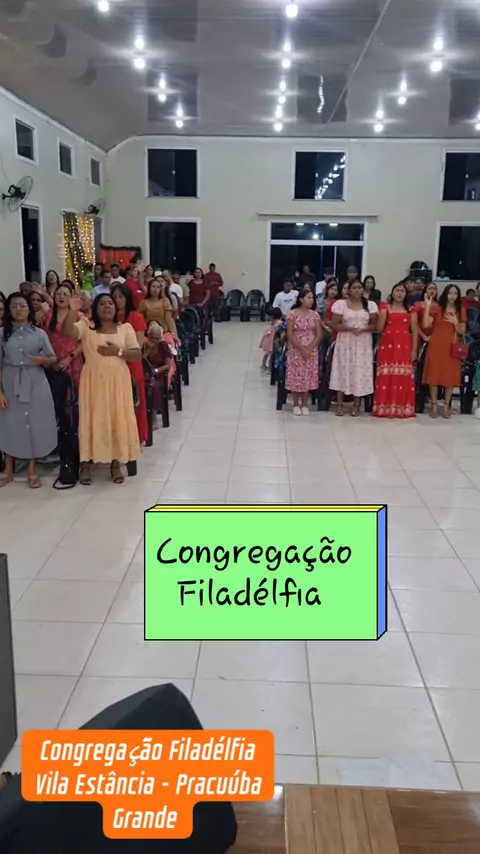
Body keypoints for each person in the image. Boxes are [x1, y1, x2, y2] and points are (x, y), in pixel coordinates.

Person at [62, 293, 141, 484]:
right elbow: (67, 331)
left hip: (118, 381)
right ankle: (85, 465)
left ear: (115, 307)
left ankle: (115, 464)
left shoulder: (125, 328)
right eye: (102, 304)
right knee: (91, 419)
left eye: (110, 303)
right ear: (95, 308)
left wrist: (118, 351)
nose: (107, 306)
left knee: (116, 419)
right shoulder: (87, 326)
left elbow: (137, 355)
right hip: (93, 381)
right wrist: (72, 310)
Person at [0, 292, 57, 488]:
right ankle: (8, 468)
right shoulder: (2, 334)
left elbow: (52, 358)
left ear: (29, 309)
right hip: (10, 381)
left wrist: (43, 360)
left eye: (22, 305)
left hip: (35, 382)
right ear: (9, 310)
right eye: (14, 306)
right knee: (9, 423)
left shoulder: (39, 334)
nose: (18, 309)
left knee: (34, 423)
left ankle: (32, 469)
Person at [329, 281, 378, 416]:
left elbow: (375, 325)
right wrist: (348, 328)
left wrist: (363, 329)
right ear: (348, 290)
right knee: (343, 369)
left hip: (363, 341)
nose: (357, 290)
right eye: (354, 288)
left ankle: (357, 404)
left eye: (360, 288)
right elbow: (334, 324)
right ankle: (339, 404)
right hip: (345, 341)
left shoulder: (370, 305)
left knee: (359, 370)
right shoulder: (341, 304)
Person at [373, 283, 417, 419]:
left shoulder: (411, 310)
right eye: (397, 290)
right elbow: (379, 329)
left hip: (404, 347)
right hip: (387, 346)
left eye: (402, 291)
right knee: (386, 376)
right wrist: (382, 314)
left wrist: (414, 350)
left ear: (406, 294)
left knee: (402, 377)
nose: (399, 293)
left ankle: (401, 408)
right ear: (392, 293)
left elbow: (415, 331)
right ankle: (384, 408)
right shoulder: (385, 308)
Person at [422, 284, 466, 419]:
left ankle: (447, 405)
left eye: (455, 293)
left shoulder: (461, 310)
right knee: (434, 375)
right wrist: (428, 307)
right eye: (450, 293)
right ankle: (434, 405)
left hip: (451, 346)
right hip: (436, 345)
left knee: (450, 376)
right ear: (445, 294)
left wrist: (455, 322)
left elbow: (462, 331)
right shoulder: (437, 308)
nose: (452, 296)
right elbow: (425, 325)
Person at [112, 284, 148, 445]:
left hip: (131, 364)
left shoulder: (136, 317)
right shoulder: (107, 318)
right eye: (114, 297)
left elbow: (138, 345)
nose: (117, 300)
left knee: (134, 401)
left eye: (121, 297)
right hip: (112, 365)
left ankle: (137, 437)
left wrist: (119, 351)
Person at [43, 281, 84, 394]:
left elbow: (84, 341)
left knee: (73, 392)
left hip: (72, 358)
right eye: (59, 294)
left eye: (65, 294)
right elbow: (43, 337)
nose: (61, 297)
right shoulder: (48, 315)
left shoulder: (78, 316)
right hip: (53, 358)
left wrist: (69, 358)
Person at [286, 288, 322, 416]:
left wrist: (310, 348)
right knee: (295, 375)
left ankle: (305, 404)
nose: (311, 300)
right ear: (301, 299)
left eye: (312, 298)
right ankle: (296, 404)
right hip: (296, 349)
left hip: (311, 350)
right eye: (308, 298)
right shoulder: (292, 314)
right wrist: (301, 348)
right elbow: (290, 333)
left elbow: (318, 334)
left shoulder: (315, 315)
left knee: (307, 375)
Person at [143, 322, 175, 428]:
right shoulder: (144, 346)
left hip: (159, 374)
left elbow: (167, 366)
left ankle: (153, 419)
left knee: (154, 387)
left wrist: (155, 371)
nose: (154, 341)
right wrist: (148, 351)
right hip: (146, 374)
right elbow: (141, 361)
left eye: (157, 338)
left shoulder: (163, 346)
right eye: (152, 338)